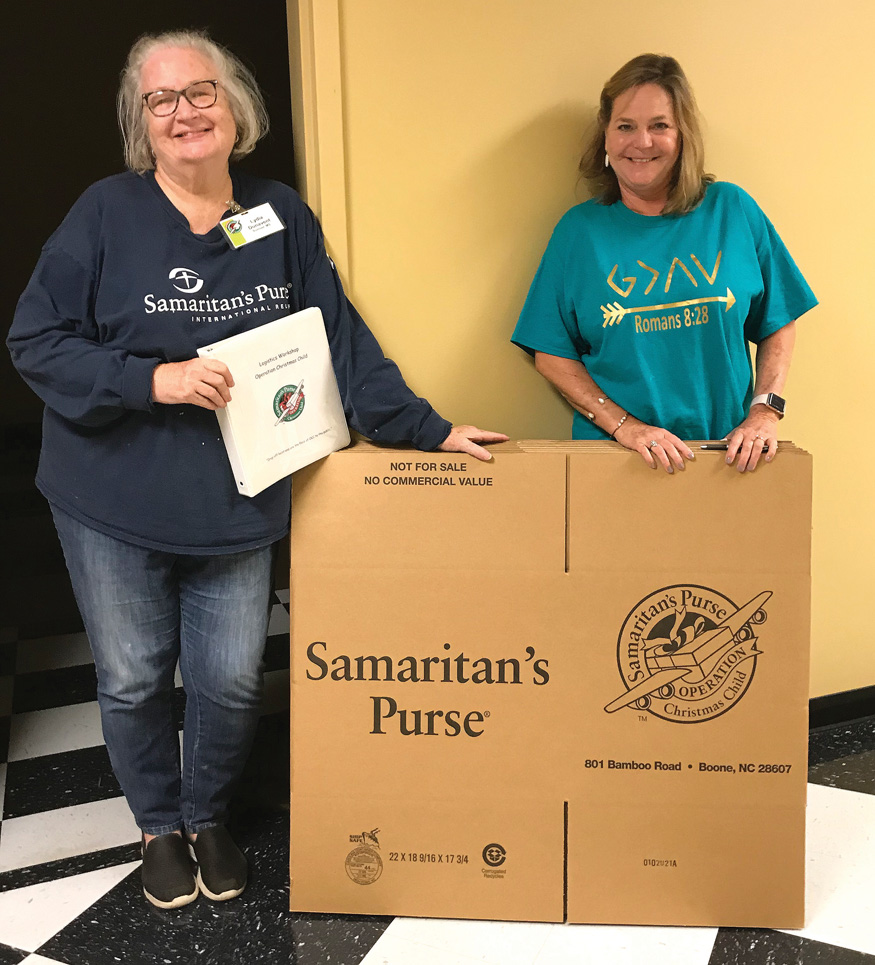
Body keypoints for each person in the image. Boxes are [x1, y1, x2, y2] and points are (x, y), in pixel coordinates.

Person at [7, 30, 506, 910]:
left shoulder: (276, 214)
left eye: (201, 90)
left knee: (232, 678)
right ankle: (158, 825)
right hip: (110, 494)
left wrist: (426, 429)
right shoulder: (104, 213)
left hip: (238, 494)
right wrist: (150, 379)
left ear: (234, 105)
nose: (184, 111)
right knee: (133, 674)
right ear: (142, 122)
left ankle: (206, 815)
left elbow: (337, 336)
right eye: (161, 99)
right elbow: (35, 339)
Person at [512, 54, 816, 474]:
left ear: (683, 134)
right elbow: (550, 352)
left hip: (725, 459)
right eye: (625, 126)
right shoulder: (578, 232)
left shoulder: (732, 210)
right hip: (617, 462)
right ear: (605, 136)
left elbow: (778, 319)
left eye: (659, 126)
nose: (642, 142)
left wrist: (765, 412)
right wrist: (626, 427)